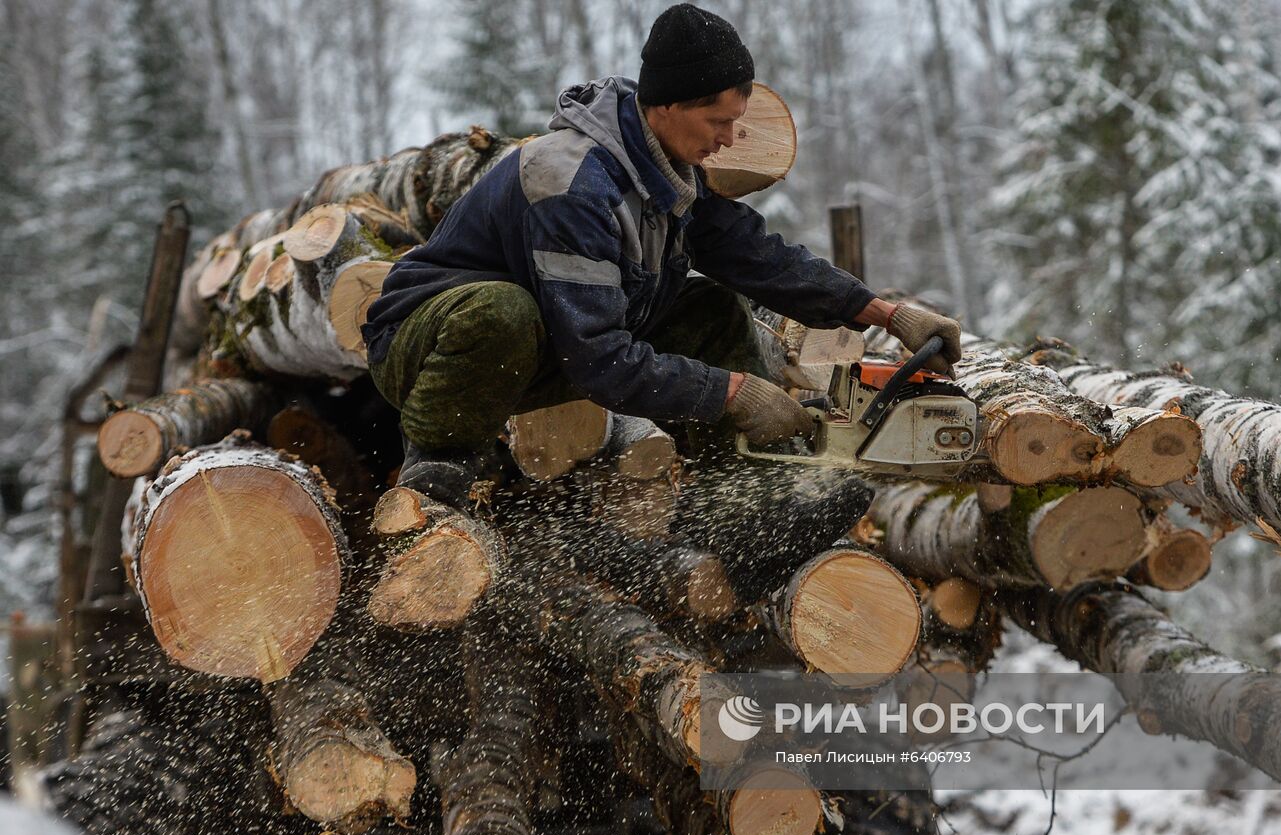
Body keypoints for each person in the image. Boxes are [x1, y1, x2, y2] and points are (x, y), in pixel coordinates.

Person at [361, 2, 962, 510]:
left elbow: (756, 256)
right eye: (717, 121)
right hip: (432, 353)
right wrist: (734, 392)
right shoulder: (572, 185)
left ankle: (746, 505)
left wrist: (882, 313)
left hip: (545, 341)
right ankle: (437, 467)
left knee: (712, 310)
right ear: (668, 105)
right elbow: (598, 357)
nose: (728, 139)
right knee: (500, 312)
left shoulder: (668, 169)